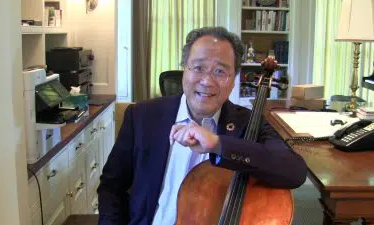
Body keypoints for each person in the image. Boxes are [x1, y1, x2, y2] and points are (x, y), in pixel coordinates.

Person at [97, 26, 307, 225]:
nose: (207, 81)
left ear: (233, 79)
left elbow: (294, 172)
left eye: (220, 72)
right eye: (198, 68)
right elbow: (111, 187)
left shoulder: (248, 123)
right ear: (184, 70)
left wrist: (218, 145)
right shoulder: (142, 115)